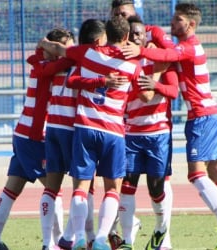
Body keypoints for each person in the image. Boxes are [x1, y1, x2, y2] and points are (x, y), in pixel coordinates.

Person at [121, 3, 217, 250]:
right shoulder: (183, 45)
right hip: (210, 115)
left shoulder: (189, 47)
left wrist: (140, 50)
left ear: (190, 24)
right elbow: (163, 48)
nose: (172, 24)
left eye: (177, 20)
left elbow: (168, 55)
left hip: (202, 117)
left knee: (196, 174)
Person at [39, 16, 153, 250]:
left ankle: (80, 236)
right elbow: (145, 96)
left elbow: (61, 51)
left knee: (80, 187)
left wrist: (43, 43)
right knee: (112, 189)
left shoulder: (86, 54)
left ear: (105, 35)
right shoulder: (132, 65)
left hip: (85, 128)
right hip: (113, 131)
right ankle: (101, 239)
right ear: (126, 38)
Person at [0, 28, 74, 250]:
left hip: (23, 135)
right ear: (50, 48)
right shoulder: (45, 65)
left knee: (12, 187)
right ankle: (53, 242)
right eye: (62, 46)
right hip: (34, 137)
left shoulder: (43, 63)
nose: (66, 51)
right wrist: (77, 54)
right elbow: (68, 59)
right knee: (54, 190)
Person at [110, 1, 176, 249]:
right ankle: (127, 240)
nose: (135, 37)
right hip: (131, 134)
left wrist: (156, 80)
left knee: (157, 188)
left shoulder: (158, 55)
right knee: (127, 186)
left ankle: (162, 231)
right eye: (132, 34)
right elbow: (137, 95)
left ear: (145, 35)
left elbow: (173, 90)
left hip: (159, 133)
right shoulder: (123, 62)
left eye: (140, 34)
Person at [39, 19, 107, 250]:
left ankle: (49, 243)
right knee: (84, 186)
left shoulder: (49, 67)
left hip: (53, 128)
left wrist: (45, 45)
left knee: (52, 187)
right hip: (72, 129)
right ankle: (77, 236)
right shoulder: (78, 61)